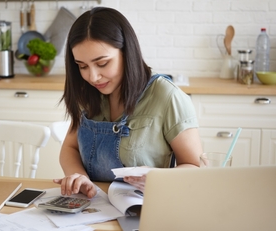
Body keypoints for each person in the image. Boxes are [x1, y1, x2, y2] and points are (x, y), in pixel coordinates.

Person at [53, 7, 203, 198]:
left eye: (102, 63)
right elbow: (69, 147)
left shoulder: (167, 96)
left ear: (127, 52)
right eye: (82, 66)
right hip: (92, 209)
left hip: (146, 209)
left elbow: (195, 168)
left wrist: (159, 178)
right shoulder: (88, 93)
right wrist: (79, 177)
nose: (93, 77)